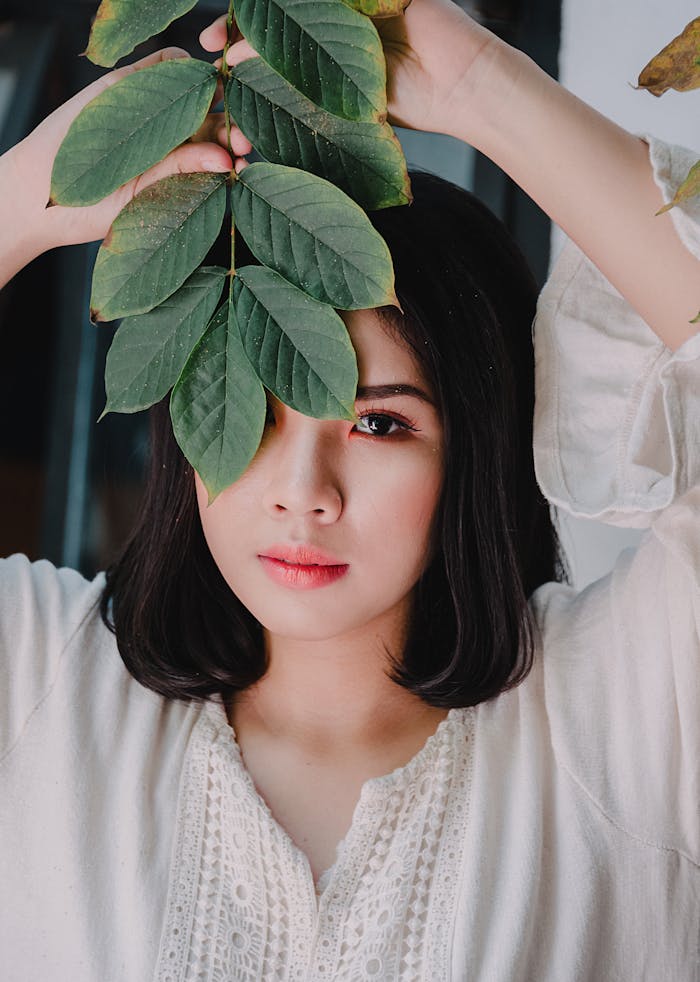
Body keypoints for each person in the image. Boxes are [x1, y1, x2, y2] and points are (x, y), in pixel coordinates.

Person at [0, 1, 698, 978]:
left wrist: (482, 91)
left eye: (380, 423)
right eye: (261, 403)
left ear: (477, 446)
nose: (302, 491)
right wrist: (30, 193)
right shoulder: (42, 688)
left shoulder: (621, 718)